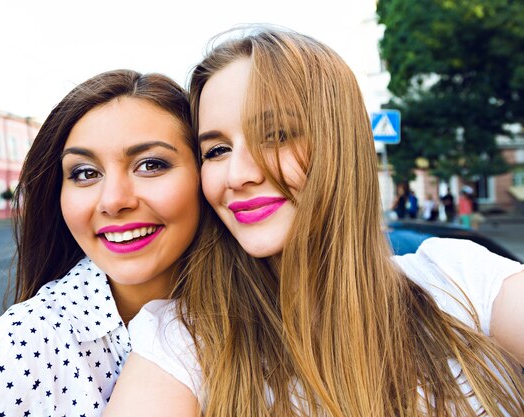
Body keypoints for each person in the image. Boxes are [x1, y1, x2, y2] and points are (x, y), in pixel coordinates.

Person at [104, 28, 524, 417]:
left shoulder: (459, 280)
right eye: (216, 150)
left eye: (277, 135)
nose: (237, 175)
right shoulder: (182, 344)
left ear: (339, 141)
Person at [0, 70, 200, 416]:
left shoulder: (259, 311)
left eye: (150, 165)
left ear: (204, 174)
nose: (114, 200)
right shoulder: (11, 352)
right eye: (85, 173)